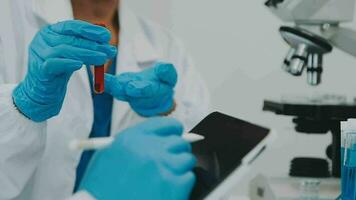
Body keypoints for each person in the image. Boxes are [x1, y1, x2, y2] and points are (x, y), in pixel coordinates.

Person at [0, 0, 210, 199]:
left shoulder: (167, 47)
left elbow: (204, 164)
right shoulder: (8, 19)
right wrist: (23, 105)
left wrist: (167, 112)